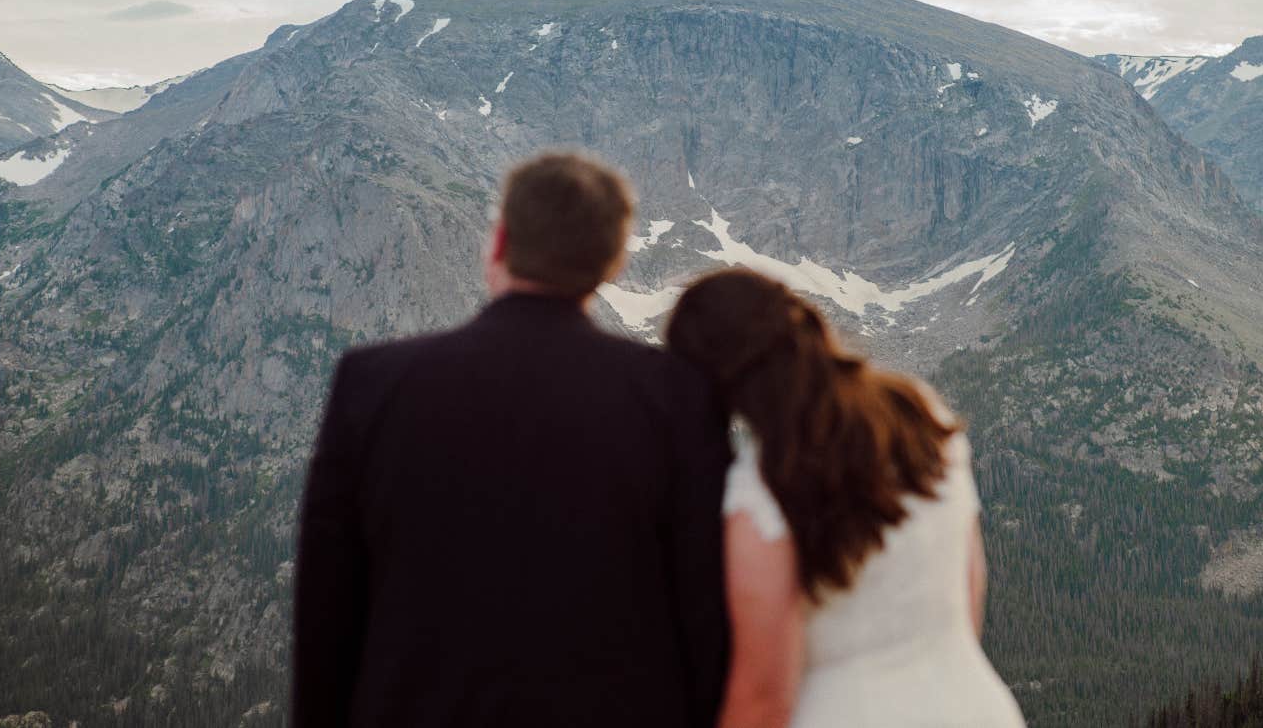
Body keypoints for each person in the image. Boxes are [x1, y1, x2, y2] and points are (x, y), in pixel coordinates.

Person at [292, 152, 733, 727]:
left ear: (498, 243)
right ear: (614, 262)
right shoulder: (678, 398)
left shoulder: (372, 383)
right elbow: (707, 619)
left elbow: (326, 617)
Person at [666, 269, 1025, 728]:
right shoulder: (919, 412)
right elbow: (969, 586)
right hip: (976, 707)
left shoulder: (762, 493)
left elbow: (763, 698)